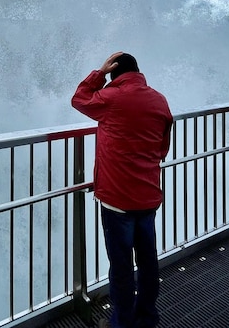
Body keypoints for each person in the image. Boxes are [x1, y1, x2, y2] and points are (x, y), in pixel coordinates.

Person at [71, 52, 172, 328]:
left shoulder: (111, 99)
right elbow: (163, 148)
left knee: (122, 266)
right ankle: (148, 316)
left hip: (117, 199)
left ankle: (122, 323)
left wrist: (98, 73)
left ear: (114, 73)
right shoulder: (159, 100)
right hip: (148, 195)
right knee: (148, 260)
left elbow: (79, 99)